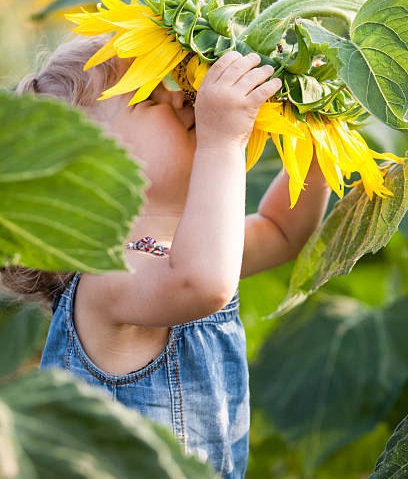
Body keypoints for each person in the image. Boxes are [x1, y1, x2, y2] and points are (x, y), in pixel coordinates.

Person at [3, 35, 331, 479]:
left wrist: (314, 146)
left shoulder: (181, 252)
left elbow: (281, 231)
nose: (181, 96)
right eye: (148, 96)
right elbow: (204, 284)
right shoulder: (108, 278)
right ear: (88, 168)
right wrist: (223, 141)